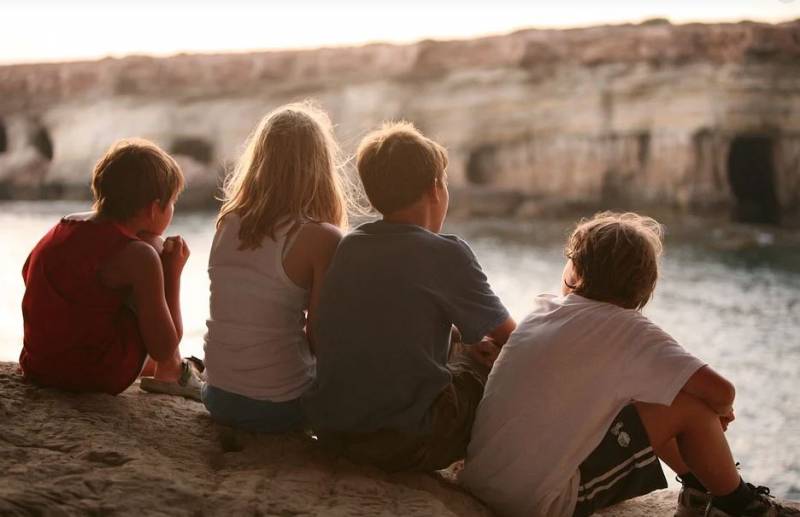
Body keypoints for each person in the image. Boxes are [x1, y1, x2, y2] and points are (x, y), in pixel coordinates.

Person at [460, 212, 799, 517]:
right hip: (538, 503)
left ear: (575, 270)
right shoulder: (630, 330)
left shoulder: (542, 310)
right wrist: (719, 413)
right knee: (690, 408)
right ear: (643, 286)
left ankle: (699, 491)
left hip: (482, 477)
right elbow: (722, 391)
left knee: (652, 392)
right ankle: (739, 504)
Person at [303, 121, 516, 471]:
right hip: (405, 444)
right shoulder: (447, 254)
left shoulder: (351, 245)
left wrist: (460, 338)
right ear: (435, 189)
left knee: (464, 348)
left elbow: (387, 321)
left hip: (333, 431)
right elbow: (514, 339)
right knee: (486, 365)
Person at [202, 102, 353, 433]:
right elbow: (321, 336)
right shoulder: (321, 237)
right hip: (281, 405)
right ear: (320, 167)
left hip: (218, 395)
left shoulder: (228, 222)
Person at [20, 138, 201, 399]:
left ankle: (156, 367)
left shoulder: (63, 227)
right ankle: (174, 374)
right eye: (172, 202)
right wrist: (172, 272)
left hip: (39, 365)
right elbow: (164, 348)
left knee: (143, 253)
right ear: (154, 209)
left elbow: (28, 272)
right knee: (151, 253)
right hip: (93, 374)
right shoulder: (140, 256)